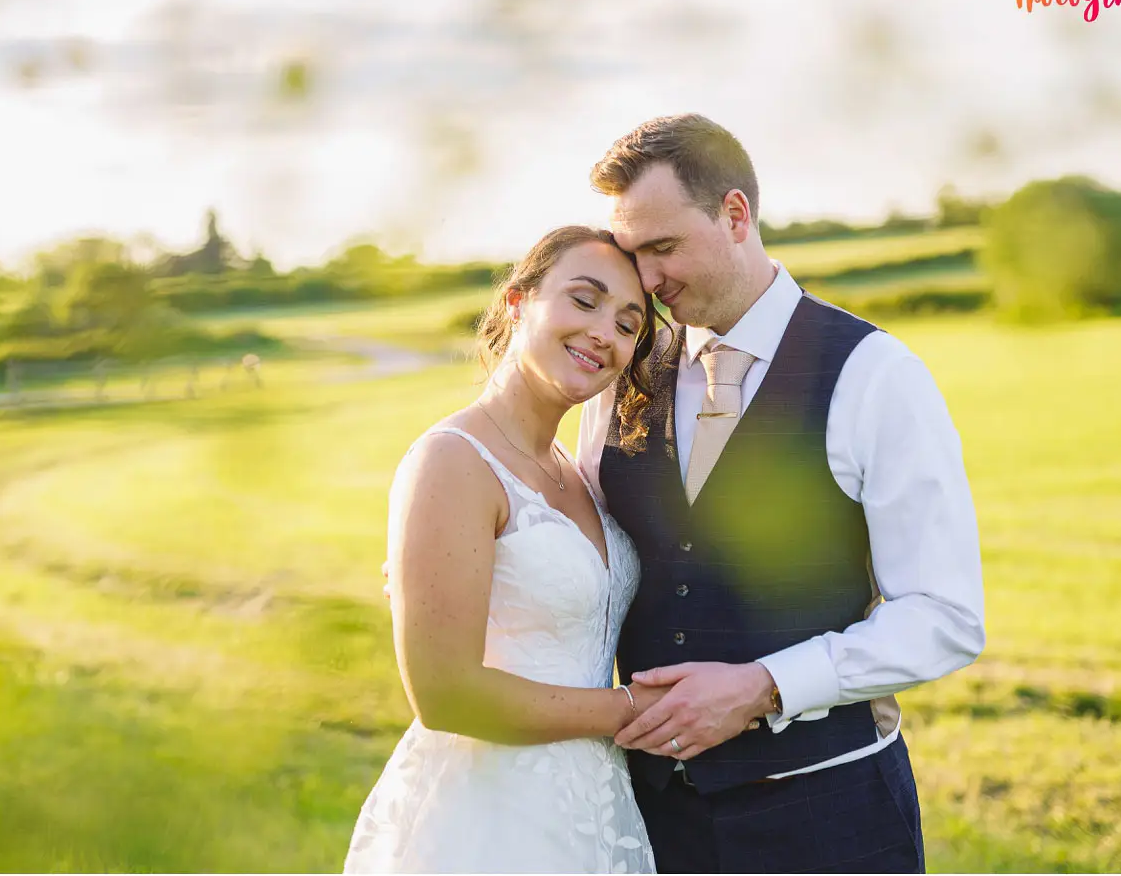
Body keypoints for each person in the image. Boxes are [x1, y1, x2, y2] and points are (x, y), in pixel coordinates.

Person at [575, 113, 986, 873]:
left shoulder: (875, 373)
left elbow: (946, 616)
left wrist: (766, 686)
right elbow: (587, 558)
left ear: (735, 215)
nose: (649, 280)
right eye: (634, 255)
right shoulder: (625, 374)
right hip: (648, 820)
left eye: (663, 247)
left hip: (830, 818)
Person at [345, 225, 667, 873]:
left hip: (592, 805)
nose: (603, 333)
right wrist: (632, 709)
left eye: (627, 324)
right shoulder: (452, 460)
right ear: (518, 302)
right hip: (490, 812)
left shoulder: (580, 472)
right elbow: (444, 694)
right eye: (584, 300)